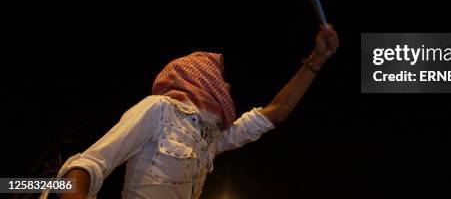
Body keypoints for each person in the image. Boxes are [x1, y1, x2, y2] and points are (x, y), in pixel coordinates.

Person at [52, 25, 339, 199]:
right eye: (219, 81)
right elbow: (89, 164)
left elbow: (276, 112)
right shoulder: (158, 109)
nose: (225, 88)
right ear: (202, 82)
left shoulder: (209, 138)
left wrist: (317, 59)